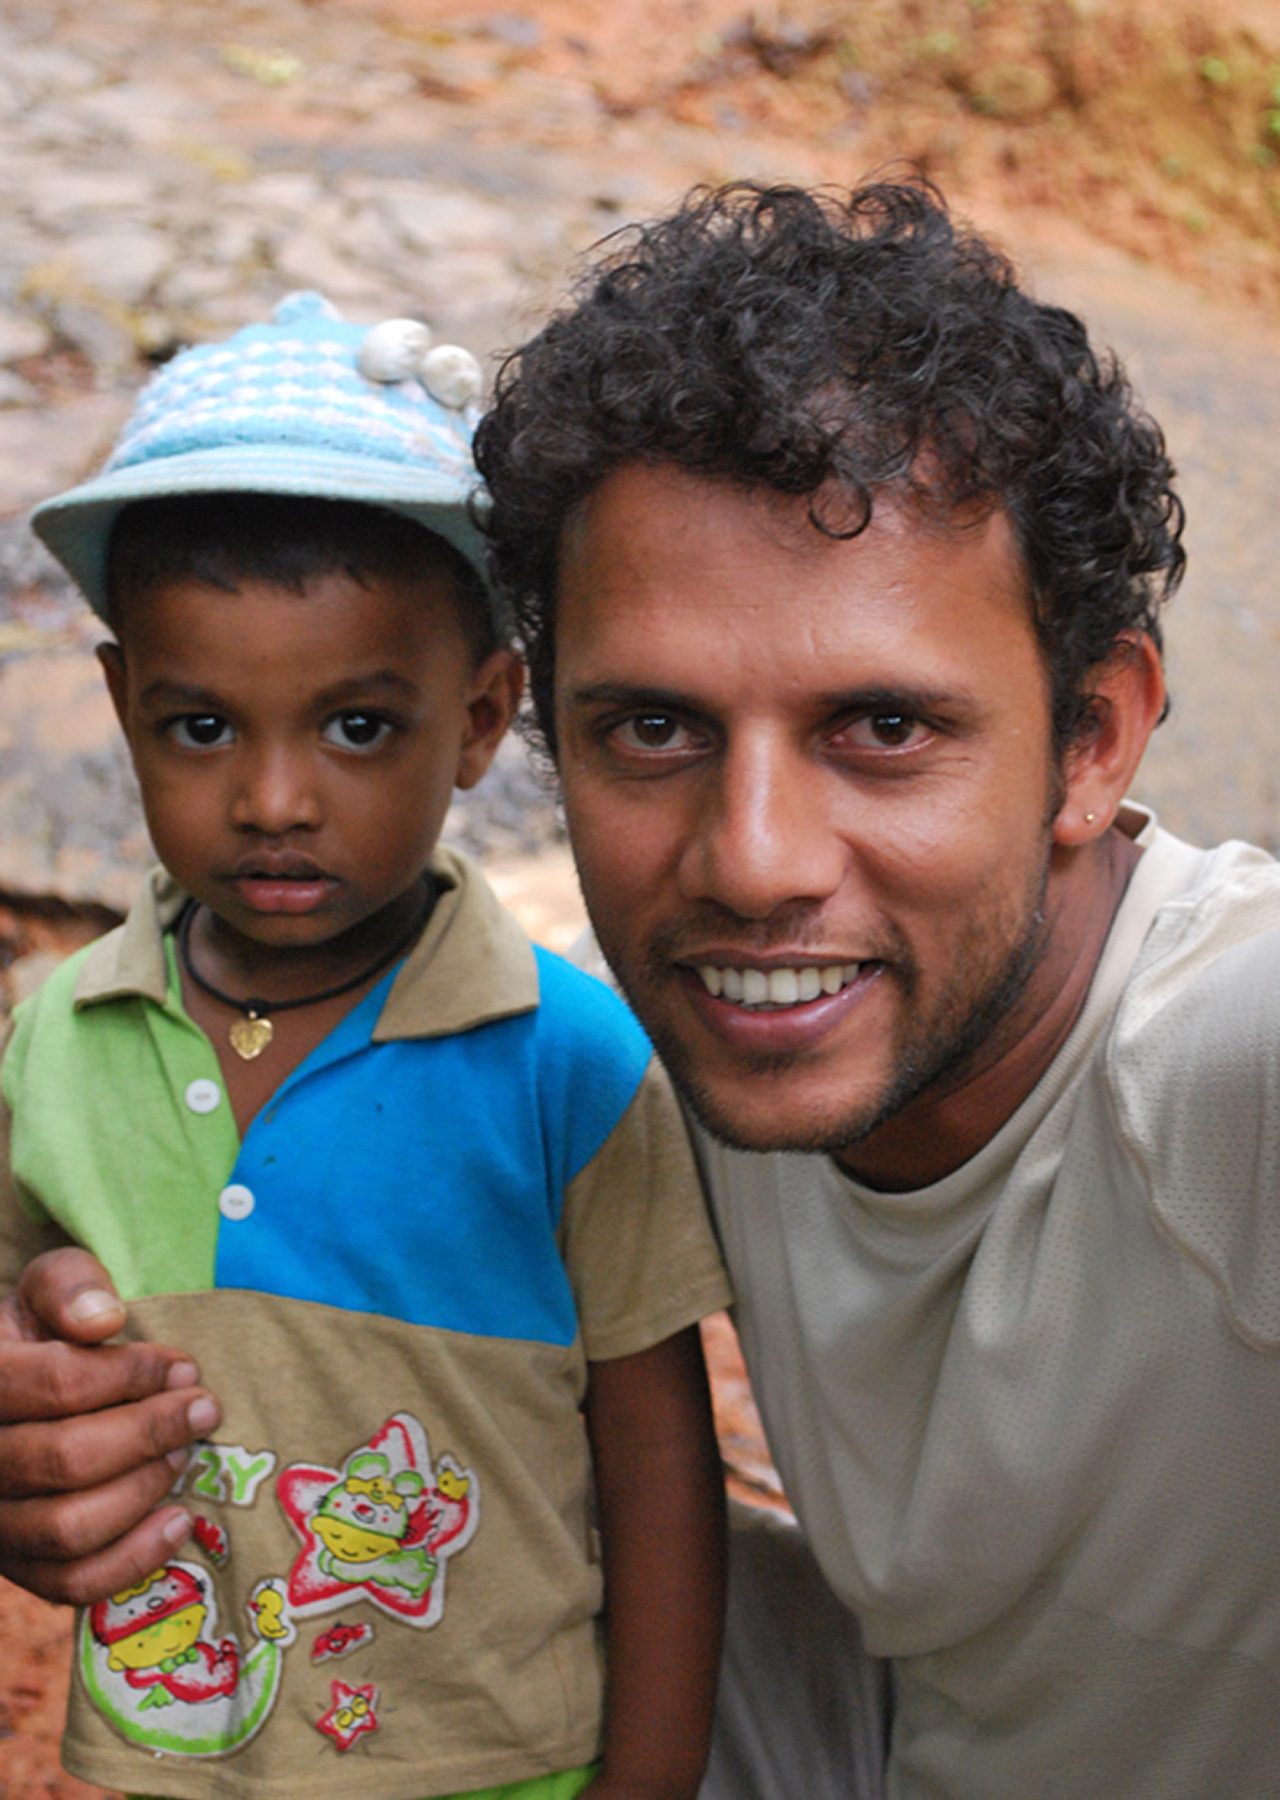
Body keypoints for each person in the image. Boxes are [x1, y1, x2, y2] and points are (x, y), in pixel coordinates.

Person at [5, 176, 1280, 1797]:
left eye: (884, 728)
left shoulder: (1218, 1073)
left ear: (1092, 739)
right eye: (656, 730)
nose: (752, 862)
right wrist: (58, 1419)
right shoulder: (639, 1062)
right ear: (543, 734)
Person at [0, 292, 730, 1800]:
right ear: (123, 705)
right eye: (202, 728)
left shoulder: (568, 1066)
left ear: (481, 718)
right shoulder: (56, 1042)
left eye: (357, 728)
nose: (274, 800)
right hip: (176, 1759)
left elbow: (661, 1476)